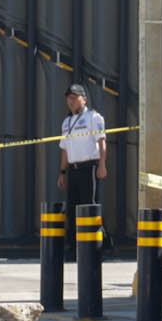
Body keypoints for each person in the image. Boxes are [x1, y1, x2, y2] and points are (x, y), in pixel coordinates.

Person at [56, 80, 107, 225]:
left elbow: (101, 141)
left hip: (89, 167)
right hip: (73, 169)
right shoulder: (66, 122)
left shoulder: (93, 117)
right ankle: (73, 245)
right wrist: (62, 172)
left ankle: (94, 245)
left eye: (74, 97)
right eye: (68, 98)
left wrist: (102, 164)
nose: (70, 101)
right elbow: (65, 149)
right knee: (73, 208)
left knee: (88, 206)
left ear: (84, 99)